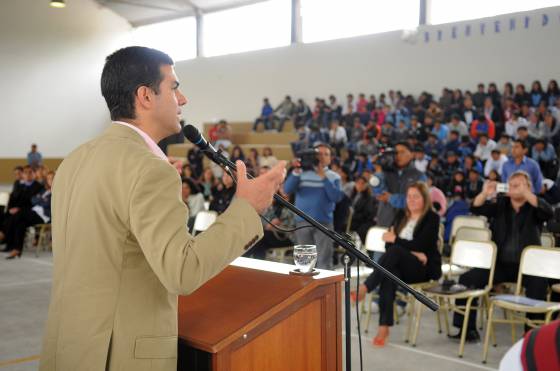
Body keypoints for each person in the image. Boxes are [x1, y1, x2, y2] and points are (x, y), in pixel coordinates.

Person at [39, 46, 286, 371]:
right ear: (145, 96)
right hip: (120, 356)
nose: (182, 99)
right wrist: (246, 208)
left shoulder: (75, 160)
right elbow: (181, 271)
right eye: (174, 87)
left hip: (71, 348)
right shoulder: (149, 170)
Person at [450, 172, 553, 342]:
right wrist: (485, 192)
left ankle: (532, 336)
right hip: (500, 265)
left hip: (528, 266)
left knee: (539, 285)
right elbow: (475, 208)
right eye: (511, 184)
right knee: (467, 278)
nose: (514, 188)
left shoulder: (534, 208)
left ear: (528, 188)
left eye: (519, 184)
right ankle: (467, 329)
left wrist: (527, 194)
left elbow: (548, 212)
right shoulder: (501, 204)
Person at [352, 182, 441, 347]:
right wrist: (409, 249)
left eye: (416, 196)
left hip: (422, 269)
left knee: (395, 253)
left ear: (425, 199)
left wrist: (397, 242)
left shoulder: (432, 218)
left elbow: (421, 244)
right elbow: (388, 245)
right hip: (401, 265)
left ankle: (366, 287)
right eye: (409, 196)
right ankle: (383, 327)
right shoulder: (401, 215)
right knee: (389, 273)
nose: (411, 200)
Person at [284, 143, 344, 270]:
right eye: (319, 154)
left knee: (324, 261)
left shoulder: (334, 177)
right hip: (302, 222)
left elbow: (336, 198)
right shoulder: (300, 173)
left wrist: (323, 177)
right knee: (305, 262)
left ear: (330, 158)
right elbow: (287, 189)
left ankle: (324, 289)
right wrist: (295, 171)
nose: (321, 157)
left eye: (325, 154)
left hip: (324, 223)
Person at [3, 171, 54, 259]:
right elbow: (33, 200)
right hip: (34, 212)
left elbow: (48, 204)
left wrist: (40, 199)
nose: (50, 180)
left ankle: (3, 234)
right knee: (20, 223)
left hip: (44, 216)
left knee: (19, 213)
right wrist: (42, 199)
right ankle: (17, 249)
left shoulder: (57, 191)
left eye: (52, 178)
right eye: (49, 179)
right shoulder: (44, 190)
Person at [375, 142, 426, 227]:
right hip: (384, 221)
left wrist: (391, 198)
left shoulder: (419, 176)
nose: (398, 155)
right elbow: (378, 193)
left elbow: (416, 202)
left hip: (407, 224)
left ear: (412, 154)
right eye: (395, 152)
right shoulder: (385, 172)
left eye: (402, 152)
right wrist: (379, 170)